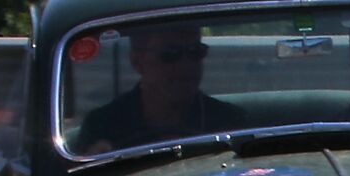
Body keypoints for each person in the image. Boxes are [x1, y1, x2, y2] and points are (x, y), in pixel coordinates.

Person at [75, 24, 241, 152]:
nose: (185, 66)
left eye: (195, 52)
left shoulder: (228, 122)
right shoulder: (102, 126)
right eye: (170, 54)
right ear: (138, 62)